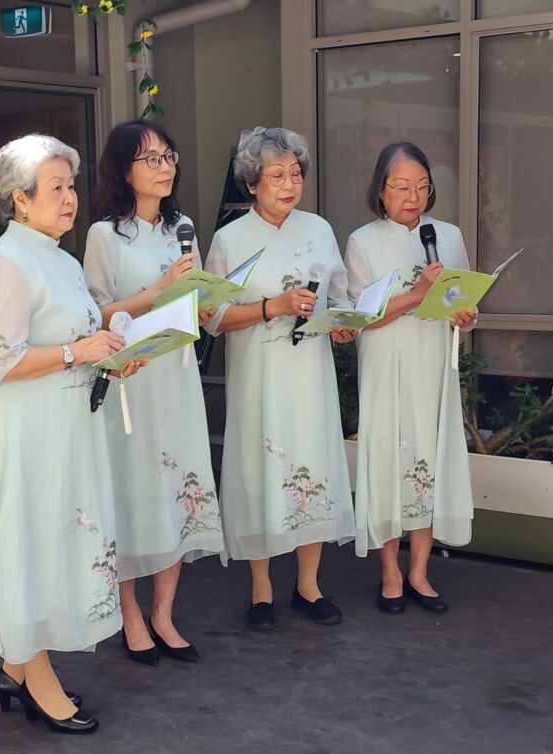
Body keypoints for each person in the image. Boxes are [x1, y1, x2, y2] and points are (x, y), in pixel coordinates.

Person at [0, 134, 143, 734]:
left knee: (55, 537)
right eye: (56, 188)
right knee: (34, 541)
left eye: (72, 186)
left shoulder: (62, 260)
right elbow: (1, 360)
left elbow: (78, 340)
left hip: (65, 424)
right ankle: (36, 677)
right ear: (20, 198)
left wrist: (110, 356)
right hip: (25, 429)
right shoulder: (9, 262)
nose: (70, 198)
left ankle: (14, 670)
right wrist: (79, 352)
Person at [83, 120, 224, 666]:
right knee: (134, 489)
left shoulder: (182, 228)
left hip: (177, 376)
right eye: (151, 159)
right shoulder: (104, 235)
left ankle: (164, 613)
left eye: (169, 157)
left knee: (176, 487)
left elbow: (196, 297)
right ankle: (130, 613)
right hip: (132, 380)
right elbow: (96, 314)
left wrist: (203, 304)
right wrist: (159, 290)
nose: (164, 168)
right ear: (124, 171)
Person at [205, 126, 356, 632]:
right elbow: (213, 316)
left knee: (311, 462)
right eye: (276, 175)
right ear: (252, 183)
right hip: (259, 376)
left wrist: (343, 327)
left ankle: (309, 586)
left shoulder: (319, 229)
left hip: (310, 372)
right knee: (259, 470)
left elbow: (340, 298)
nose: (290, 184)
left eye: (295, 173)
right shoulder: (229, 239)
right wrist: (273, 306)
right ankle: (261, 589)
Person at [345, 140, 476, 615]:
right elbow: (363, 318)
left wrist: (465, 315)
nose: (413, 197)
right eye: (401, 187)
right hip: (385, 363)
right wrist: (419, 292)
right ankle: (390, 572)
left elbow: (461, 299)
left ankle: (420, 571)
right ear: (381, 190)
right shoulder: (362, 241)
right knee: (387, 459)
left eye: (422, 186)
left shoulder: (448, 235)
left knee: (428, 458)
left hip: (432, 362)